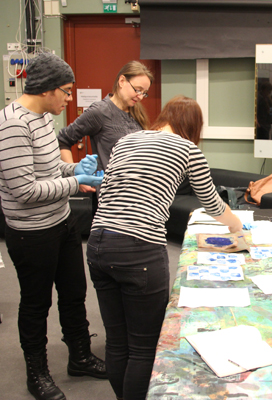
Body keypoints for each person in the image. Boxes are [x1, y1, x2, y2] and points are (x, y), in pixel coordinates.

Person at [86, 95, 243, 400]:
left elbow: (107, 189)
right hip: (140, 248)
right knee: (143, 347)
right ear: (194, 126)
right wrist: (236, 225)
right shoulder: (188, 149)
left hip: (98, 244)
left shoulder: (126, 141)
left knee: (117, 342)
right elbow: (211, 202)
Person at [0, 52, 106, 400]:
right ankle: (37, 374)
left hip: (61, 222)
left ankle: (80, 357)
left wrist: (73, 169)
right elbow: (25, 191)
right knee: (36, 304)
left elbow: (48, 171)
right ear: (47, 89)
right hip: (31, 232)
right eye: (66, 91)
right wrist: (76, 183)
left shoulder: (44, 118)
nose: (69, 98)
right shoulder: (12, 125)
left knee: (74, 293)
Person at [57, 60, 153, 194]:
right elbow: (63, 141)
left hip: (137, 191)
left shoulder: (137, 113)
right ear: (122, 81)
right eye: (137, 90)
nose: (140, 96)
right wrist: (77, 178)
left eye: (144, 93)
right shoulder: (100, 112)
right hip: (111, 195)